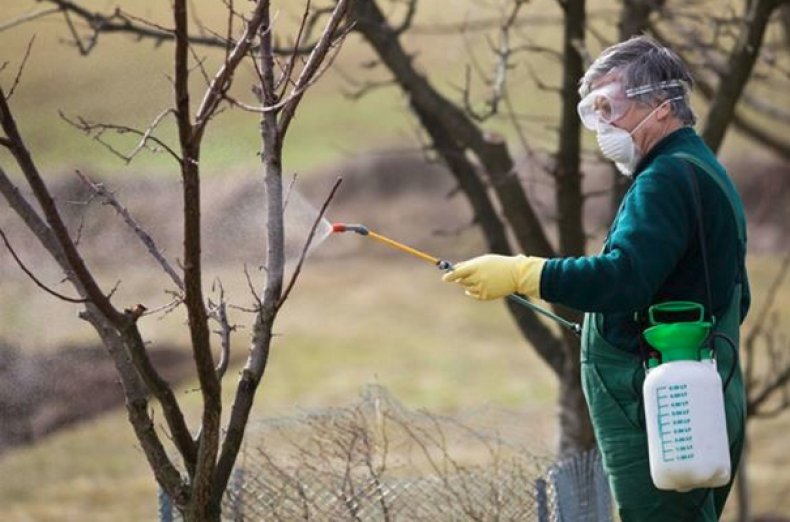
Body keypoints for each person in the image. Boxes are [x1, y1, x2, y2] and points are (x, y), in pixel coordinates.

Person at [442, 35, 749, 522]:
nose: (603, 125)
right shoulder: (696, 168)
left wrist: (525, 272)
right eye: (595, 111)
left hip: (664, 408)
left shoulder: (666, 179)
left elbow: (622, 278)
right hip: (694, 393)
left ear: (663, 107)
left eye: (612, 107)